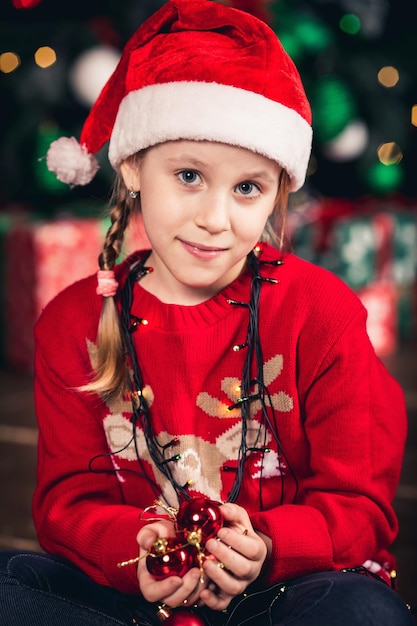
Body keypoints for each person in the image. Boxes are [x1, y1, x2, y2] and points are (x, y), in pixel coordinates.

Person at [0, 0, 414, 624]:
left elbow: (360, 503)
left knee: (363, 611)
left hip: (283, 591)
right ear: (134, 166)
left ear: (278, 189)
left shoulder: (320, 312)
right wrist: (133, 549)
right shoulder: (72, 323)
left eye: (247, 187)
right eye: (189, 175)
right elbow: (68, 502)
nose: (215, 219)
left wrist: (270, 548)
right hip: (135, 597)